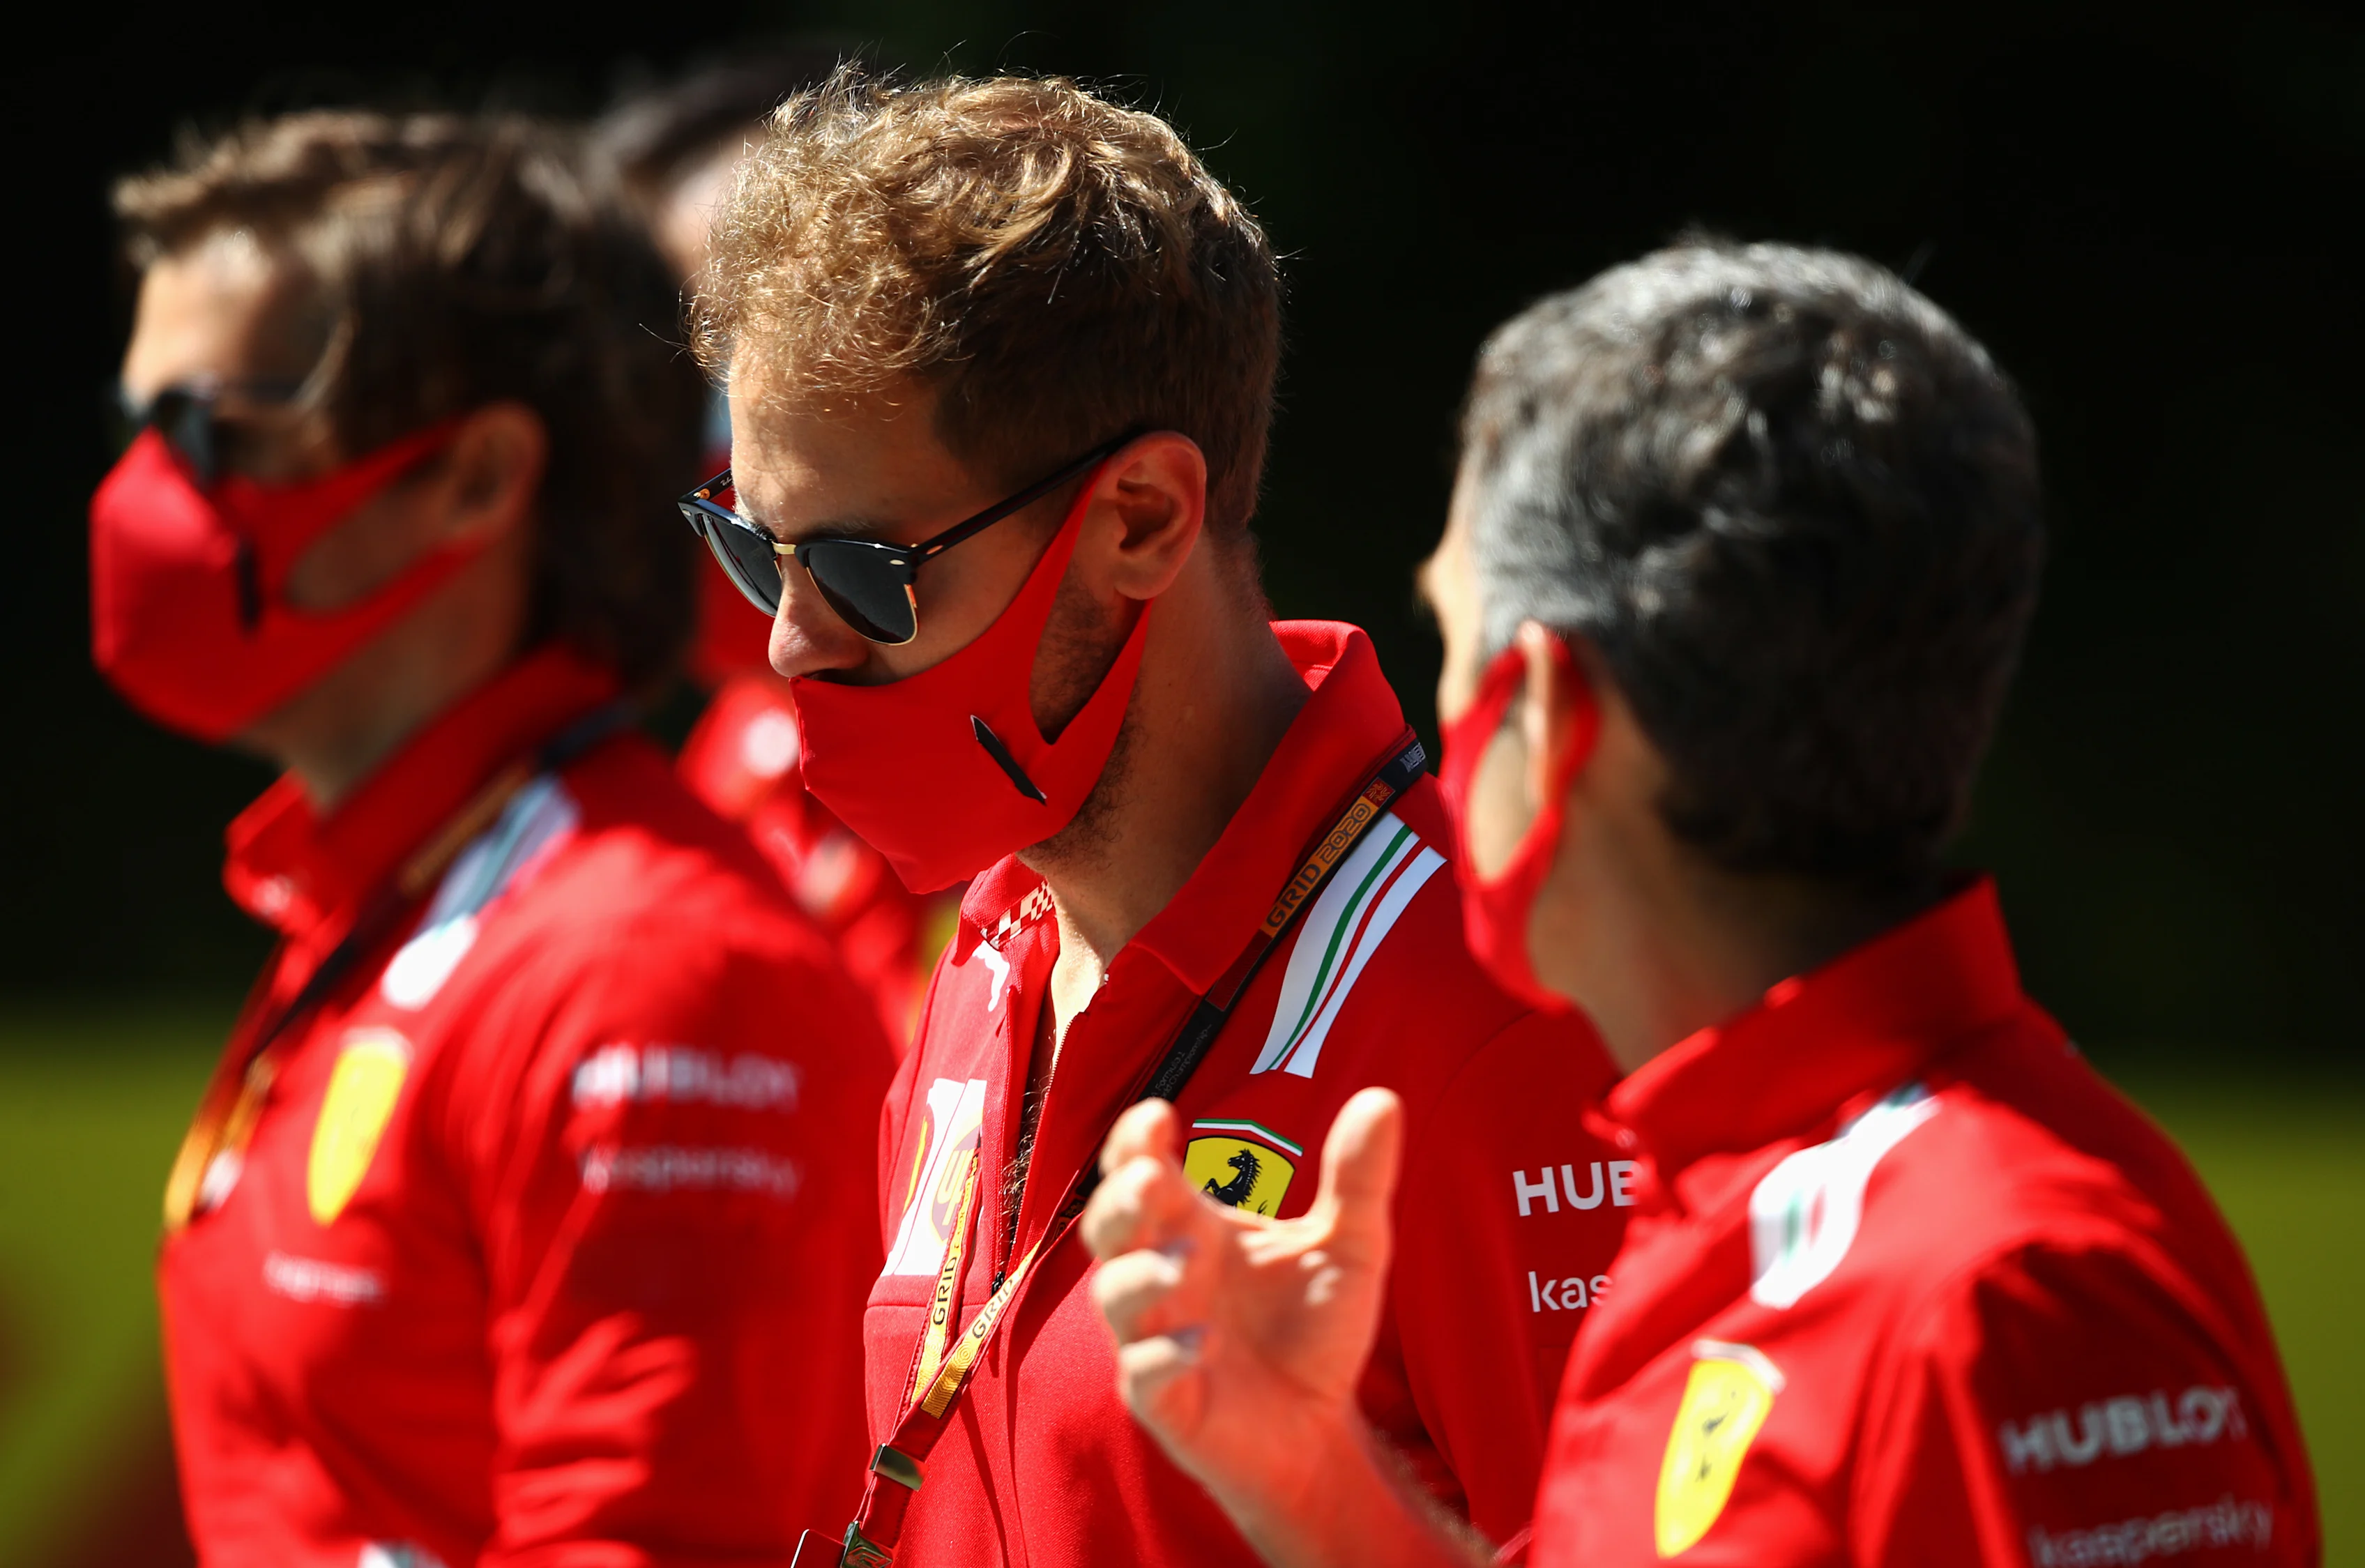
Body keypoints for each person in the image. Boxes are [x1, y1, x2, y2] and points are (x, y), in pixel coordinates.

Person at [1082, 240, 2322, 1565]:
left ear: (1544, 719)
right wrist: (1319, 1483)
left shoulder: (2000, 1286)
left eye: (1451, 637)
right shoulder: (1757, 1186)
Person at [688, 70, 1629, 1568]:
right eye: (755, 550)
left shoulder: (1498, 1011)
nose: (789, 643)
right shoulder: (990, 955)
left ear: (1140, 518)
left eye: (863, 571)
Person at [95, 112, 896, 1567]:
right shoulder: (389, 904)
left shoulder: (647, 975)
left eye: (211, 431)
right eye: (135, 425)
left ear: (471, 478)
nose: (145, 497)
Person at [599, 54, 951, 1049]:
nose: (694, 421)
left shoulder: (1088, 779)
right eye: (672, 361)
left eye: (752, 344)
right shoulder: (733, 768)